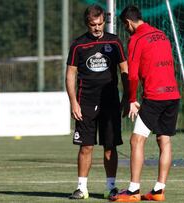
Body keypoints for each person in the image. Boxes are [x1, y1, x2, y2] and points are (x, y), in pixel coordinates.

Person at [111, 5, 181, 202]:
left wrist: (131, 99)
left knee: (136, 140)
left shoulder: (137, 39)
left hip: (155, 97)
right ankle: (159, 190)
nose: (127, 30)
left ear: (129, 23)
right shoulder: (161, 35)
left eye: (126, 27)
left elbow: (132, 75)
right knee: (164, 141)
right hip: (173, 94)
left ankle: (133, 190)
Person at [66, 4, 129, 200]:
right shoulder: (78, 45)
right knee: (86, 146)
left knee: (110, 146)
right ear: (87, 23)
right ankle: (81, 188)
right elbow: (70, 75)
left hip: (110, 102)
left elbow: (125, 71)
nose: (98, 28)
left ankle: (111, 187)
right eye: (94, 25)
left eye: (101, 24)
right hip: (85, 102)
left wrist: (128, 97)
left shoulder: (115, 42)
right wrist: (73, 102)